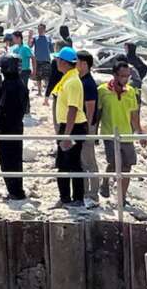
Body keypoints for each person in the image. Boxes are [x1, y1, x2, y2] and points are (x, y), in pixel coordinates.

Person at [97, 61, 147, 204]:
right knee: (113, 162)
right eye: (122, 76)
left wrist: (140, 133)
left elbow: (134, 115)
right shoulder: (102, 91)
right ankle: (105, 182)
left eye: (127, 76)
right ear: (114, 75)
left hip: (126, 134)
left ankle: (122, 197)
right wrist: (93, 133)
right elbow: (98, 113)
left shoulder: (131, 91)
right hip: (109, 133)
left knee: (127, 166)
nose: (125, 79)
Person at [49, 46, 88, 207]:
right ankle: (65, 198)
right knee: (64, 163)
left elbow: (73, 109)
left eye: (58, 60)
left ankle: (77, 199)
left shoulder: (72, 82)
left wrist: (67, 135)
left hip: (73, 126)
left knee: (72, 164)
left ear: (64, 62)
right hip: (68, 125)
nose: (56, 62)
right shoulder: (67, 78)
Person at [0, 54, 28, 200]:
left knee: (7, 161)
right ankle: (17, 190)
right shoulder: (20, 84)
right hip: (17, 127)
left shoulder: (8, 86)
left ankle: (14, 191)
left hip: (6, 129)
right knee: (16, 160)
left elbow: (2, 110)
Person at [77, 50, 100, 207]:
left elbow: (90, 109)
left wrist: (87, 127)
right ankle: (84, 192)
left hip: (87, 126)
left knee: (89, 161)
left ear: (84, 64)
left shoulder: (88, 84)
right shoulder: (81, 81)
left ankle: (93, 193)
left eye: (77, 62)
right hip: (83, 125)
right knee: (82, 161)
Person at [10, 31, 34, 115]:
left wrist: (34, 70)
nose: (13, 40)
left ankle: (26, 108)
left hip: (25, 71)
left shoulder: (25, 48)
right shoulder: (16, 49)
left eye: (14, 38)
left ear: (19, 38)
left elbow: (33, 58)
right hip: (18, 72)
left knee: (24, 90)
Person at [32, 24, 54, 97]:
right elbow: (30, 46)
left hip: (46, 60)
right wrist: (30, 37)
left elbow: (52, 50)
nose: (40, 30)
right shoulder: (35, 38)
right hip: (37, 61)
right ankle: (39, 92)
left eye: (41, 29)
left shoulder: (48, 38)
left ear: (45, 30)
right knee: (38, 77)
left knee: (47, 78)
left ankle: (47, 93)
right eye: (38, 29)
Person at [45, 40, 69, 107]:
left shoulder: (55, 61)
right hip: (69, 91)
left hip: (58, 91)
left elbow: (52, 79)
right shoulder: (71, 60)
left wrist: (47, 95)